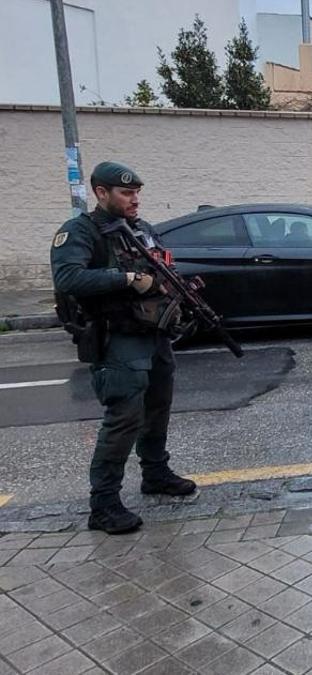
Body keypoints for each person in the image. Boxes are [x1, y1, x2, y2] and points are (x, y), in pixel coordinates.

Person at [50, 162, 196, 534]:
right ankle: (103, 505)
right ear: (101, 193)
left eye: (136, 193)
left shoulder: (140, 230)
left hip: (153, 334)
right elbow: (69, 277)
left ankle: (156, 473)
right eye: (126, 193)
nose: (135, 200)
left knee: (157, 408)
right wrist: (128, 278)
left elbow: (162, 267)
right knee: (123, 419)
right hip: (117, 338)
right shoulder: (81, 232)